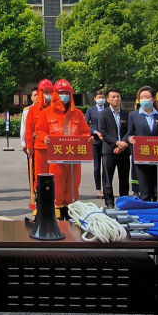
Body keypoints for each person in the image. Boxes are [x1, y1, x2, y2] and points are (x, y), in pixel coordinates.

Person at [36, 79, 91, 218]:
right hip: (56, 157)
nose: (64, 96)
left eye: (67, 93)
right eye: (61, 93)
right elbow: (40, 130)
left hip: (74, 157)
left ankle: (72, 211)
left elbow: (85, 132)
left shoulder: (77, 114)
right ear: (55, 94)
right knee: (57, 184)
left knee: (73, 184)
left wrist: (87, 139)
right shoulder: (47, 113)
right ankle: (57, 212)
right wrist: (45, 138)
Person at [124, 86, 158, 202]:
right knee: (144, 191)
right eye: (142, 97)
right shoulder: (133, 115)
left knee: (157, 190)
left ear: (153, 99)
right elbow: (129, 134)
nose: (145, 99)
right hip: (141, 157)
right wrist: (130, 138)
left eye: (147, 97)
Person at [97, 88, 130, 208]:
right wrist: (116, 143)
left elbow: (130, 131)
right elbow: (103, 132)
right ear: (108, 99)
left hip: (124, 151)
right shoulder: (103, 114)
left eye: (118, 96)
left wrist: (122, 145)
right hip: (109, 151)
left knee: (124, 178)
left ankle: (124, 202)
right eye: (113, 97)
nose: (116, 99)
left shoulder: (126, 114)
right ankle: (109, 203)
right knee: (107, 178)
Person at [24, 79, 53, 198]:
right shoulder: (33, 110)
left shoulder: (56, 108)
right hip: (40, 147)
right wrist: (29, 147)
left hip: (55, 148)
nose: (48, 95)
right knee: (39, 173)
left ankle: (53, 196)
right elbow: (28, 130)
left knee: (54, 174)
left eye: (50, 92)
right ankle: (39, 196)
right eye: (45, 92)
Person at [84, 90, 107, 198]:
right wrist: (94, 132)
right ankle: (98, 189)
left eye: (102, 97)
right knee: (97, 167)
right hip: (96, 141)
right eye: (99, 97)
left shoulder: (108, 109)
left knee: (106, 167)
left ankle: (106, 188)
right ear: (95, 99)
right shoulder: (91, 110)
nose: (101, 99)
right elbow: (86, 124)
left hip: (106, 141)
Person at [20, 87, 39, 208]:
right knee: (32, 167)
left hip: (44, 143)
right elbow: (24, 127)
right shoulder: (27, 110)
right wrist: (24, 143)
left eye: (39, 94)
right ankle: (33, 191)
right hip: (32, 142)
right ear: (31, 97)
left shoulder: (47, 108)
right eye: (35, 95)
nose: (37, 97)